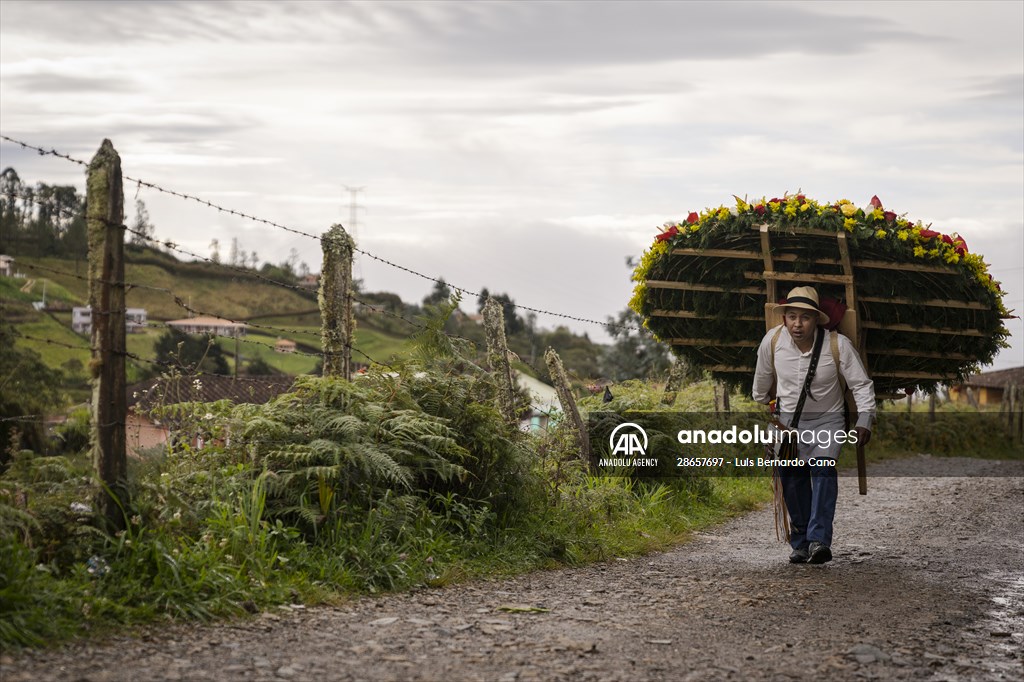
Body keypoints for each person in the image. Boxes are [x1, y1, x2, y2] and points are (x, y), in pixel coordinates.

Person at [752, 286, 875, 564]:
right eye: (792, 316)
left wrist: (865, 419)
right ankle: (800, 543)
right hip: (787, 424)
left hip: (828, 421)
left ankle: (819, 540)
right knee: (792, 480)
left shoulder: (837, 345)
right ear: (784, 318)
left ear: (816, 320)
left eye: (805, 318)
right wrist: (766, 403)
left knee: (823, 471)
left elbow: (861, 384)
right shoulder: (772, 342)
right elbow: (760, 386)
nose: (797, 324)